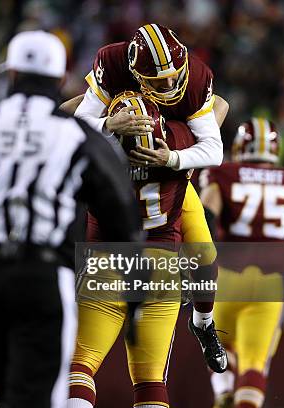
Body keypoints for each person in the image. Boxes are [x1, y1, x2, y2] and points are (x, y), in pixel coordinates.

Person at [0, 30, 142, 408]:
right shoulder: (75, 135)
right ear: (61, 78)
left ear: (12, 74)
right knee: (41, 394)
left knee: (3, 389)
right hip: (44, 275)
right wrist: (135, 293)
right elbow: (120, 212)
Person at [64, 22, 227, 374]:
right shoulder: (112, 64)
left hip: (168, 179)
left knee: (205, 256)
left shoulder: (196, 78)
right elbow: (73, 120)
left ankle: (203, 323)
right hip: (115, 178)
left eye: (174, 76)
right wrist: (109, 124)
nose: (169, 85)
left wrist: (175, 158)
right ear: (135, 74)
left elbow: (215, 141)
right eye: (158, 80)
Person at [68, 92, 199, 408]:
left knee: (80, 366)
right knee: (151, 379)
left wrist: (104, 106)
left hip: (107, 264)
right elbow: (217, 105)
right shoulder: (180, 149)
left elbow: (58, 116)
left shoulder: (94, 161)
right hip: (162, 270)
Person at [201, 118, 284, 408]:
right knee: (254, 362)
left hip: (226, 278)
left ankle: (223, 392)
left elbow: (203, 223)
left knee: (219, 347)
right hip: (269, 283)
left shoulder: (224, 175)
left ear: (241, 147)